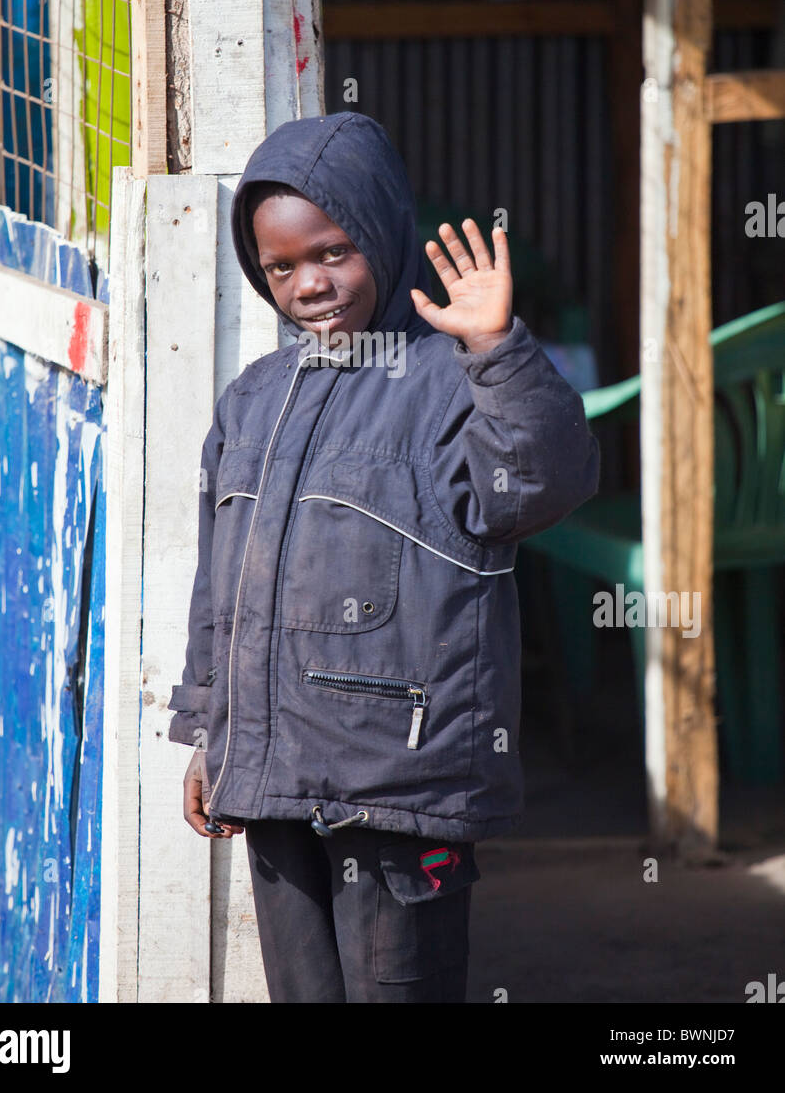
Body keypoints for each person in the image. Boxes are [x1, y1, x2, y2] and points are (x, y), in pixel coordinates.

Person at [168, 111, 599, 1003]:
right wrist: (212, 736)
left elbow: (545, 484)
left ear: (383, 234)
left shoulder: (450, 380)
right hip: (275, 788)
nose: (310, 285)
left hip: (399, 793)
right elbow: (222, 586)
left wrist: (495, 346)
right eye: (281, 267)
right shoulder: (254, 400)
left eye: (333, 252)